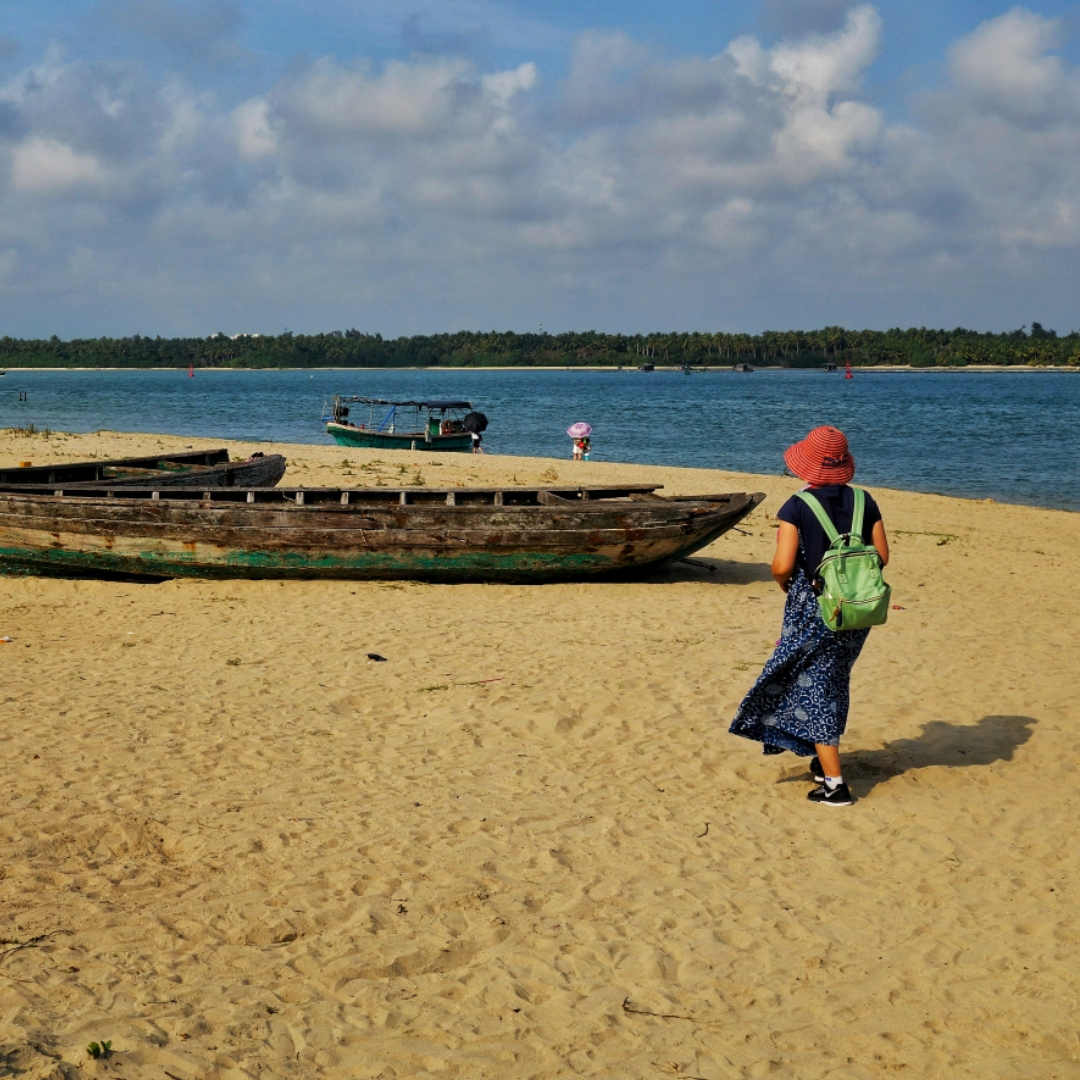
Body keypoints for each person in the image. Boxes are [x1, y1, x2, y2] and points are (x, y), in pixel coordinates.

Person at [728, 426, 889, 807]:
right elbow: (881, 556)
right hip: (856, 609)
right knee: (832, 680)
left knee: (815, 685)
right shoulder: (866, 501)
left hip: (813, 606)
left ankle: (835, 784)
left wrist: (787, 583)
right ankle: (821, 758)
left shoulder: (797, 507)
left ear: (807, 466)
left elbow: (782, 565)